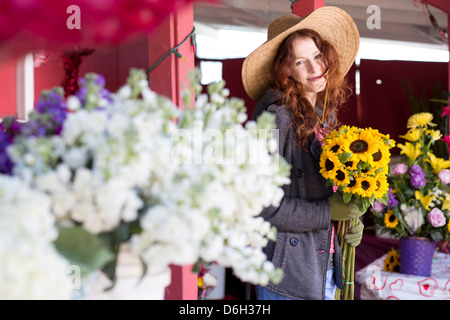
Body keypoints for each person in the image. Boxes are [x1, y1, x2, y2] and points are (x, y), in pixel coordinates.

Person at [242, 6, 364, 300]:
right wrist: (328, 211)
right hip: (287, 278)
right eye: (300, 62)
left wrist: (348, 219)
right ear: (285, 71)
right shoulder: (273, 118)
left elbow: (324, 190)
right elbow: (261, 206)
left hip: (323, 269)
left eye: (317, 56)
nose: (315, 68)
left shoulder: (322, 118)